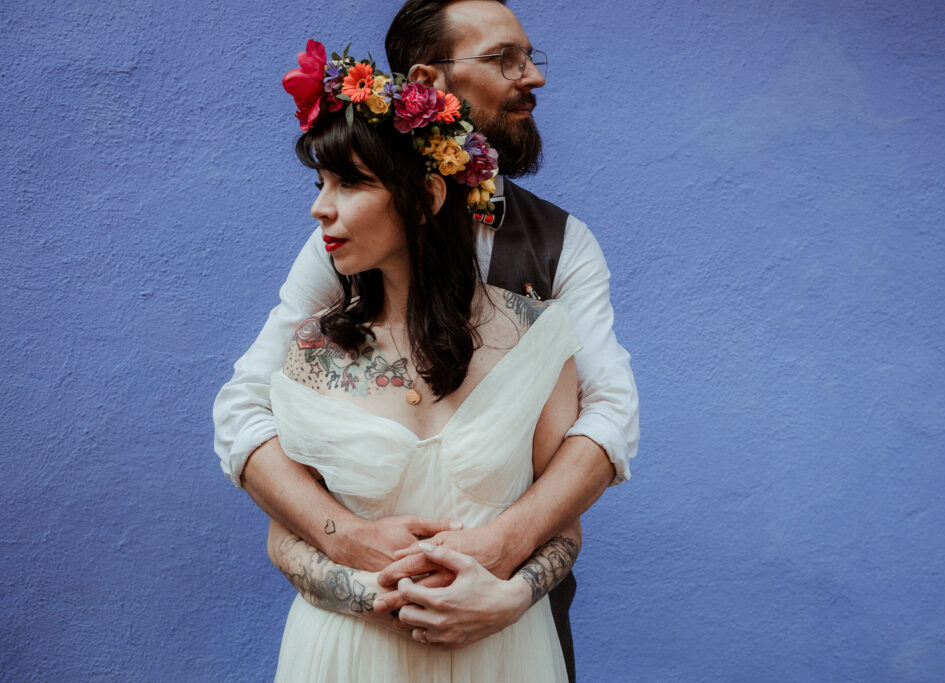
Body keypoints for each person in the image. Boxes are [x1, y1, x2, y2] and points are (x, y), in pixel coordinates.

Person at [212, 1, 639, 678]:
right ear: (429, 83)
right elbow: (245, 407)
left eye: (530, 57)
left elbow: (609, 416)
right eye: (504, 58)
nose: (533, 77)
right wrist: (349, 541)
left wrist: (501, 560)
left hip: (508, 624)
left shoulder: (564, 248)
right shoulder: (344, 245)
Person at [267, 40, 577, 680]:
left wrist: (506, 597)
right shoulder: (311, 350)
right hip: (347, 655)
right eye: (320, 182)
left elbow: (565, 529)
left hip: (501, 653)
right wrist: (374, 598)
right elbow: (282, 536)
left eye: (350, 183)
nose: (320, 207)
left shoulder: (537, 339)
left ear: (427, 197)